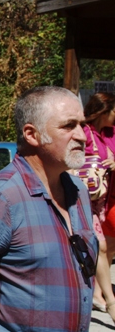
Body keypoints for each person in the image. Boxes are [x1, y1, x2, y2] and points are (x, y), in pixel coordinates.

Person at [0, 86, 98, 332]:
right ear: (32, 135)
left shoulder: (78, 190)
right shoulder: (2, 196)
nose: (83, 136)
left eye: (82, 125)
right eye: (69, 126)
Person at [81, 92, 115, 318]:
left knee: (104, 247)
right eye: (113, 110)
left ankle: (96, 293)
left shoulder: (105, 135)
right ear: (103, 111)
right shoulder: (84, 133)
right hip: (84, 199)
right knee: (101, 247)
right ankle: (110, 302)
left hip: (100, 200)